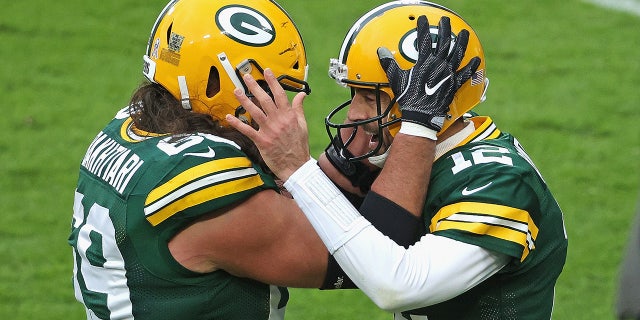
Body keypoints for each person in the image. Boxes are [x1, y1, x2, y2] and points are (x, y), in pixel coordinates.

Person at [68, 0, 447, 319]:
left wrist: (348, 155)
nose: (278, 99)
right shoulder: (202, 181)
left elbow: (311, 208)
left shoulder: (130, 126)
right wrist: (419, 121)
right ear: (217, 81)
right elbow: (370, 255)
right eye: (269, 86)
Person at [228, 1, 569, 319]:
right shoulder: (414, 150)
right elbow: (314, 209)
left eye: (369, 96)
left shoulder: (497, 182)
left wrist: (297, 169)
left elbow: (398, 285)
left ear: (433, 101)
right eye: (354, 94)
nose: (355, 113)